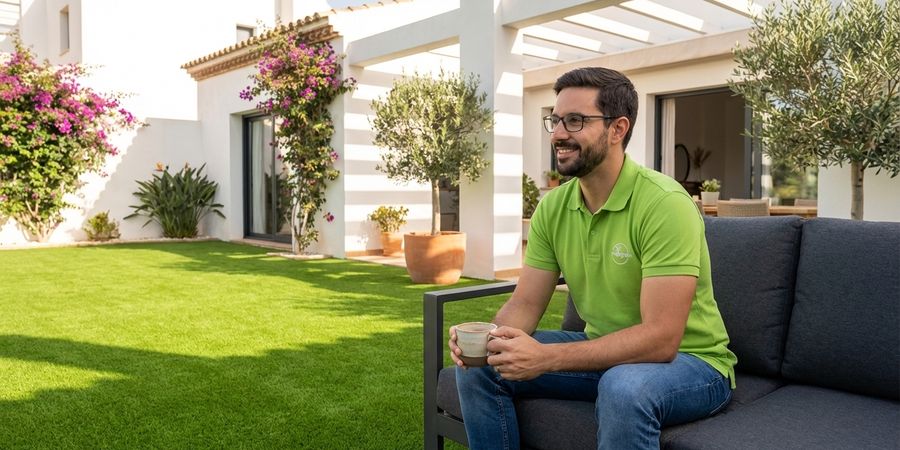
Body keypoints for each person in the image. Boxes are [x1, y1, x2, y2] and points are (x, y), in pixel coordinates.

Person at [449, 67, 737, 450]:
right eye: (554, 120)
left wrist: (548, 359)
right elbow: (526, 302)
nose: (558, 134)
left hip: (693, 363)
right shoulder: (552, 208)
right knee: (482, 370)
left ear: (617, 129)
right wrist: (490, 340)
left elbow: (661, 339)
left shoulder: (664, 204)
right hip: (605, 352)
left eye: (575, 121)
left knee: (624, 386)